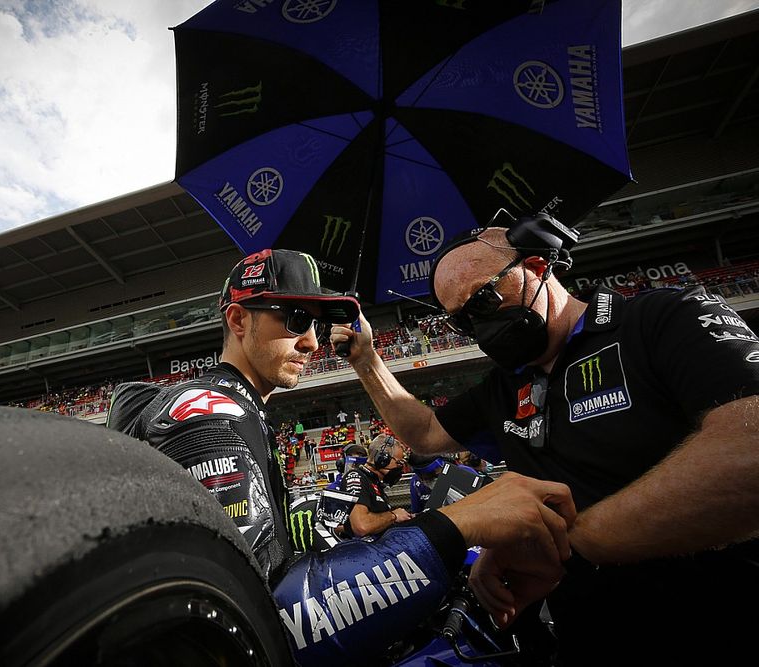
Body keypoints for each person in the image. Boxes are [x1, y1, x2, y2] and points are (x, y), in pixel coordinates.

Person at [108, 248, 576, 666]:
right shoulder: (212, 413)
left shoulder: (239, 410)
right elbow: (249, 620)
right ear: (238, 321)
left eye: (315, 324)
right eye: (294, 320)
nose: (311, 341)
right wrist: (452, 527)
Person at [331, 217, 759, 664]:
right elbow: (423, 432)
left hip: (725, 620)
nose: (478, 327)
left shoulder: (663, 317)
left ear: (536, 266)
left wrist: (568, 540)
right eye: (461, 322)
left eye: (483, 300)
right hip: (589, 633)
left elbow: (750, 450)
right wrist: (366, 359)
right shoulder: (502, 389)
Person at [337, 434, 414, 538]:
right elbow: (361, 526)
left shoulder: (375, 482)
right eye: (398, 463)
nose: (400, 468)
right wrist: (393, 516)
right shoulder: (356, 477)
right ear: (382, 459)